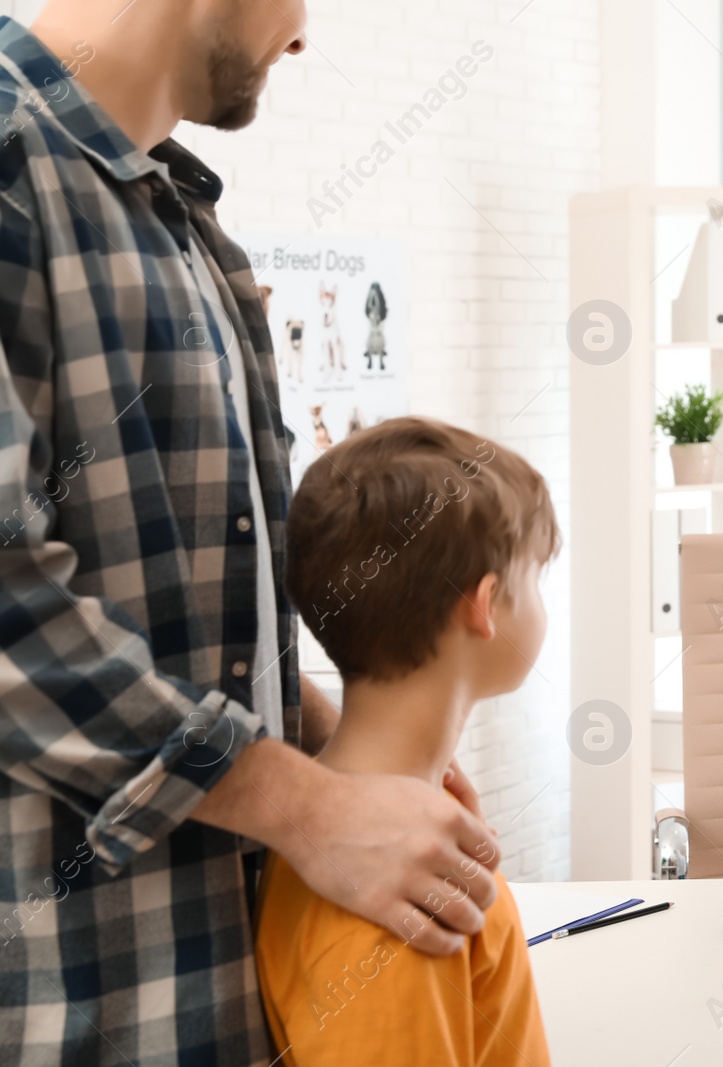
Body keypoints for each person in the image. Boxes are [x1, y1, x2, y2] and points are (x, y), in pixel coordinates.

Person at [0, 4, 501, 1063]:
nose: (306, 34)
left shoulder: (183, 220)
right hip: (79, 1009)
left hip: (226, 999)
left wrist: (333, 745)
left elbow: (194, 604)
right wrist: (307, 805)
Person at [258, 416, 556, 1066]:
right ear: (486, 604)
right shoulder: (390, 903)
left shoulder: (372, 844)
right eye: (535, 577)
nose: (541, 601)